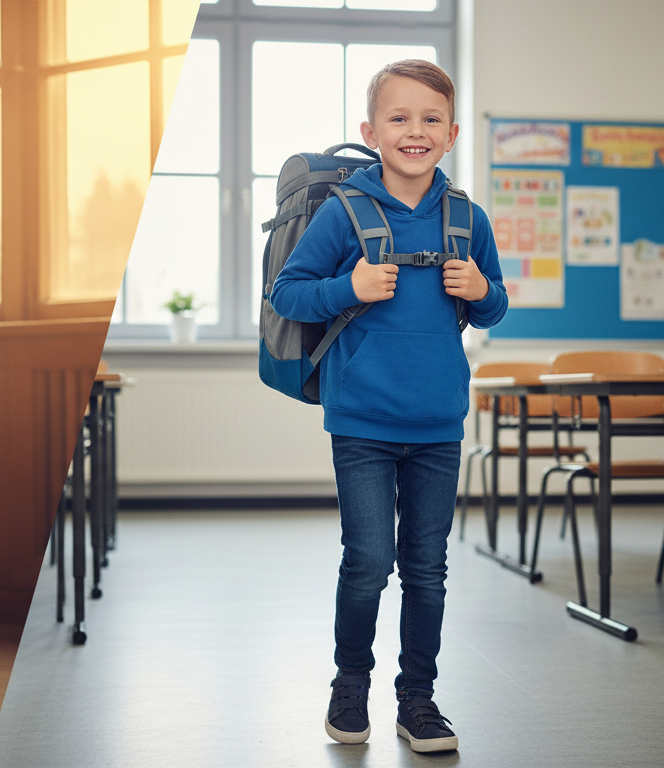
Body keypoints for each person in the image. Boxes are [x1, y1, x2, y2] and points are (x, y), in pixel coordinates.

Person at [270, 59, 508, 754]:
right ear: (370, 131)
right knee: (369, 562)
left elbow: (496, 305)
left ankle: (419, 699)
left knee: (427, 569)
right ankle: (350, 686)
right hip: (362, 422)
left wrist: (477, 290)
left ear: (453, 132)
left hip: (437, 423)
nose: (416, 131)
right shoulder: (346, 213)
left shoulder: (468, 218)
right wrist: (349, 285)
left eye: (431, 118)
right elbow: (289, 293)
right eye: (399, 118)